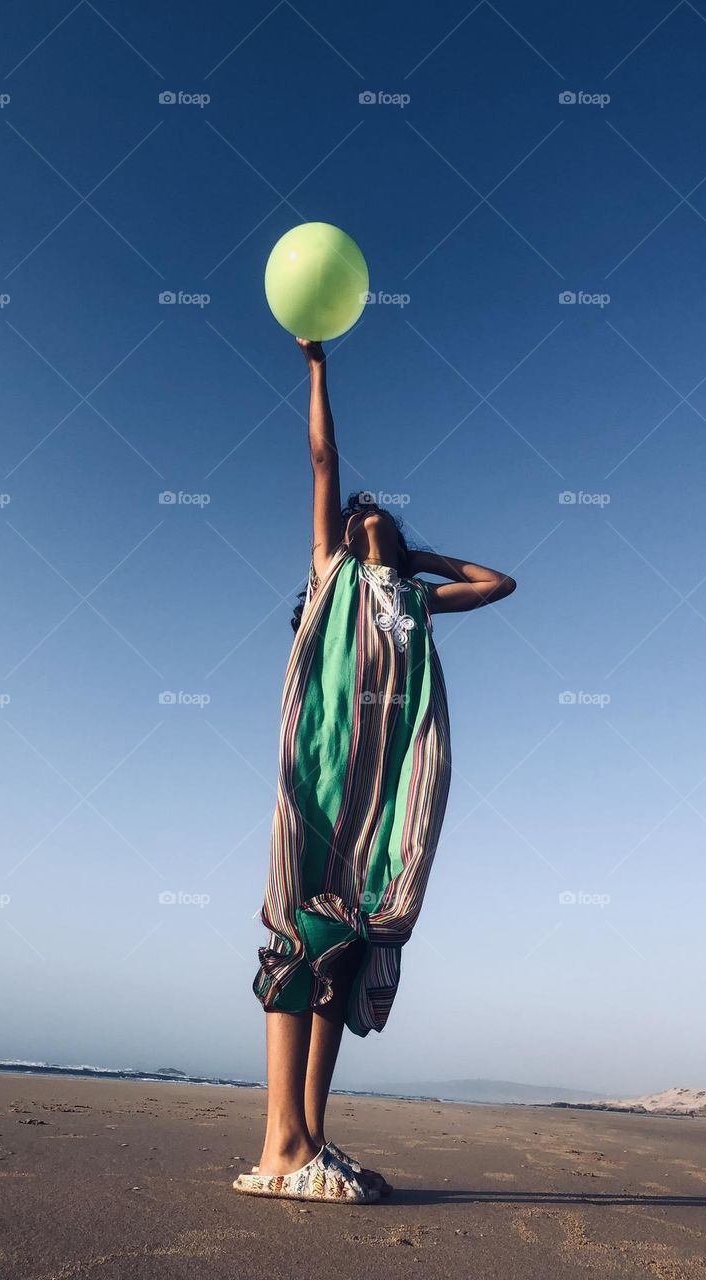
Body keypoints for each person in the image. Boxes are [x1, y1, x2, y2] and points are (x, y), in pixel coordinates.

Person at [233, 338, 516, 1203]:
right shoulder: (331, 573)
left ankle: (311, 1139)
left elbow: (498, 583)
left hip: (389, 795)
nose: (366, 515)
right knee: (300, 931)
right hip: (325, 779)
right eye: (357, 517)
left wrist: (418, 557)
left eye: (377, 514)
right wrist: (316, 367)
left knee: (350, 944)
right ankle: (279, 1147)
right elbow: (324, 460)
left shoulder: (417, 599)